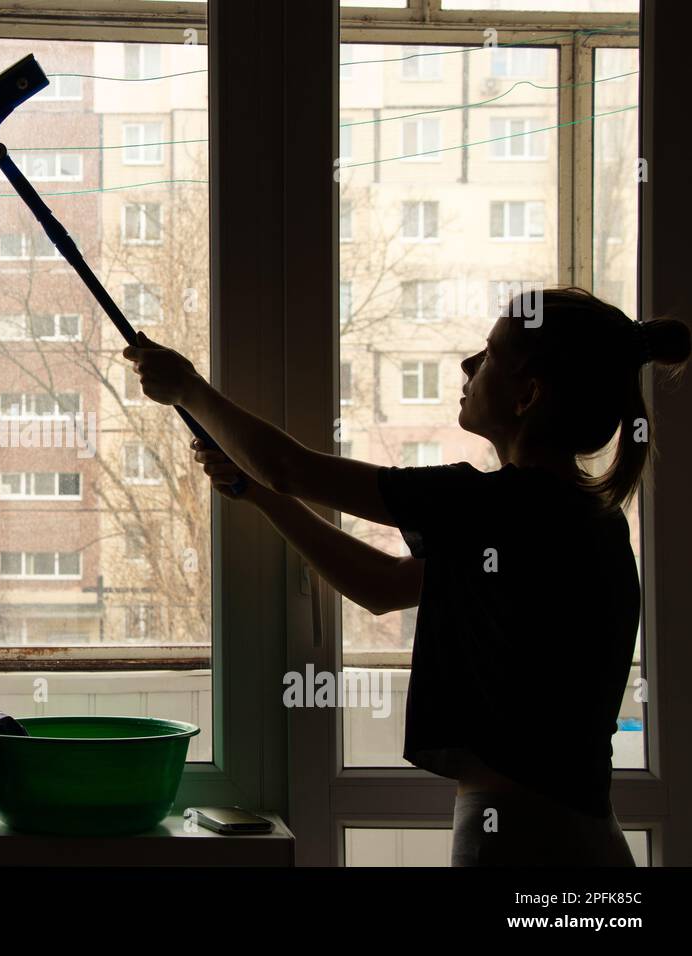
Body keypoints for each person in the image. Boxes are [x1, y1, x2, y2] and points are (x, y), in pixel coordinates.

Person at [123, 286, 690, 866]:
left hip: (527, 842)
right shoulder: (564, 517)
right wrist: (263, 496)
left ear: (529, 394)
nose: (468, 365)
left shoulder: (493, 505)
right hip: (573, 837)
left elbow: (289, 467)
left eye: (490, 355)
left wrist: (188, 387)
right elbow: (385, 586)